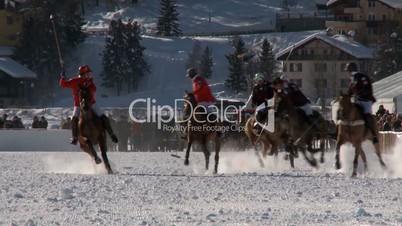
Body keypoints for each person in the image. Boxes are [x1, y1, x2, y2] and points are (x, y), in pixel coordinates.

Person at [59, 65, 118, 145]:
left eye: (89, 74)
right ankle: (74, 137)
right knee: (74, 119)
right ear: (82, 74)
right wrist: (62, 77)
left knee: (103, 117)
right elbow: (63, 84)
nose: (89, 75)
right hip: (78, 105)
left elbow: (94, 89)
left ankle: (111, 134)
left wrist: (87, 87)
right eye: (87, 73)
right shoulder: (75, 81)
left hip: (91, 103)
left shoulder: (90, 81)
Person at [345, 62, 379, 144]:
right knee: (346, 112)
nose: (347, 73)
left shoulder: (362, 77)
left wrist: (359, 94)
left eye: (348, 71)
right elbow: (350, 91)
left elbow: (366, 88)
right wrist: (345, 98)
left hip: (366, 101)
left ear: (350, 71)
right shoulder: (351, 79)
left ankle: (374, 136)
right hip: (357, 101)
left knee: (367, 115)